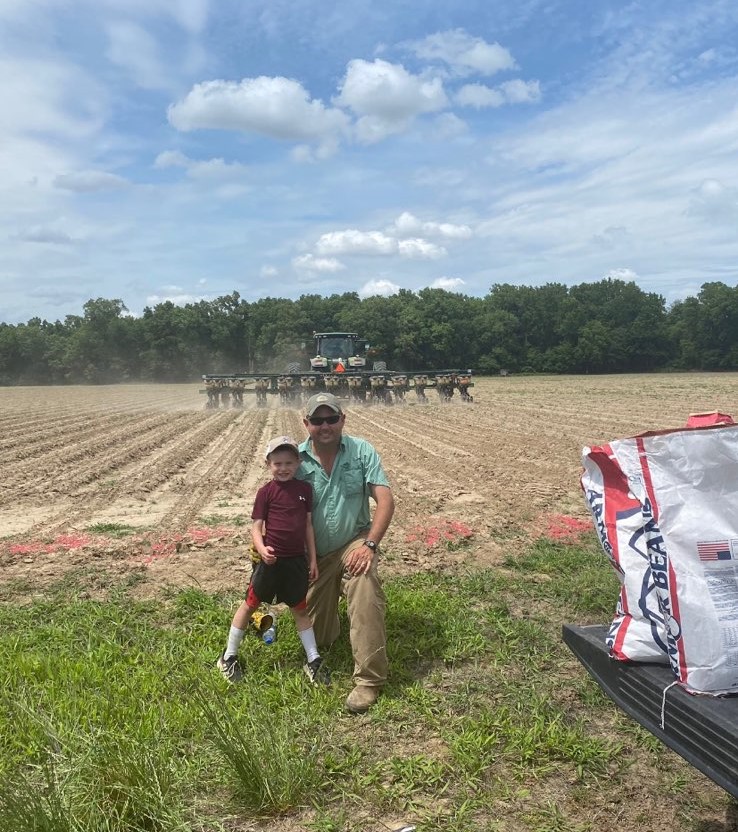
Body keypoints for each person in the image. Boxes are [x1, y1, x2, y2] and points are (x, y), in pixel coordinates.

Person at [296, 392, 395, 713]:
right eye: (317, 420)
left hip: (355, 541)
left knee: (363, 580)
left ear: (342, 420)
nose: (325, 426)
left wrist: (370, 545)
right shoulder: (294, 461)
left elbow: (385, 501)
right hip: (315, 558)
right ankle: (335, 607)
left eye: (331, 419)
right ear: (306, 423)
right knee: (321, 638)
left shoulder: (361, 451)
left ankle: (369, 679)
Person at [217, 435, 330, 686]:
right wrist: (262, 549)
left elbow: (308, 526)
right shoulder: (265, 492)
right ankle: (228, 655)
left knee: (300, 609)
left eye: (289, 462)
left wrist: (312, 559)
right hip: (270, 563)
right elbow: (256, 528)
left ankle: (313, 658)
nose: (283, 468)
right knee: (250, 605)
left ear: (298, 462)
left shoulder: (304, 490)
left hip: (295, 563)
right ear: (268, 464)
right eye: (277, 463)